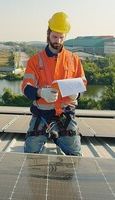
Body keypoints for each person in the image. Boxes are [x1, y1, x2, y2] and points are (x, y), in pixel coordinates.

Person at [21, 12, 87, 155]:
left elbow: (82, 83)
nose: (57, 41)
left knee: (75, 155)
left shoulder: (73, 59)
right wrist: (40, 93)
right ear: (48, 34)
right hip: (42, 115)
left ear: (65, 36)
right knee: (30, 153)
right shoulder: (35, 60)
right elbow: (26, 88)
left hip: (65, 114)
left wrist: (77, 94)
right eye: (54, 37)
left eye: (61, 37)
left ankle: (61, 139)